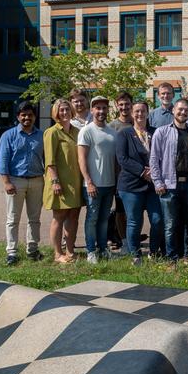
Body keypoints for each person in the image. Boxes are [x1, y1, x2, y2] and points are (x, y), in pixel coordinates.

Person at [150, 98, 188, 263]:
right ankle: (172, 257)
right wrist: (157, 182)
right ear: (173, 110)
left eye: (186, 110)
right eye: (180, 109)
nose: (183, 112)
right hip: (169, 184)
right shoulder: (162, 132)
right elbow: (154, 159)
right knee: (170, 225)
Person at [0, 101, 45, 266]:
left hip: (37, 181)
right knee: (13, 219)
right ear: (18, 116)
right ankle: (12, 252)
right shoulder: (8, 136)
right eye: (23, 115)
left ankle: (32, 250)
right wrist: (6, 182)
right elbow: (2, 160)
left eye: (30, 115)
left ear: (34, 116)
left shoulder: (41, 135)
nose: (27, 118)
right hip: (15, 181)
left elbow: (47, 159)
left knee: (35, 218)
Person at [116, 100, 163, 266]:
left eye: (143, 111)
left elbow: (162, 155)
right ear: (132, 113)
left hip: (152, 186)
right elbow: (122, 159)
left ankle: (154, 251)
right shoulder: (124, 134)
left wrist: (154, 173)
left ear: (147, 113)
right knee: (134, 221)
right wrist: (143, 172)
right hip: (131, 186)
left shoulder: (155, 132)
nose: (140, 114)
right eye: (136, 111)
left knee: (157, 219)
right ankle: (135, 253)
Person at [77, 96, 118, 264]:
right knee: (92, 219)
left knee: (103, 220)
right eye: (97, 108)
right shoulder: (86, 131)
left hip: (109, 185)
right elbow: (82, 159)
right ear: (91, 110)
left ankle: (102, 248)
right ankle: (91, 251)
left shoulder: (112, 132)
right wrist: (89, 182)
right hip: (93, 185)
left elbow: (115, 161)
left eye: (104, 108)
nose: (101, 111)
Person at [43, 99, 82, 264]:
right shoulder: (52, 132)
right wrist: (55, 182)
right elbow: (50, 161)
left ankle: (70, 251)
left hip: (75, 182)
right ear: (56, 113)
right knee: (59, 217)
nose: (64, 113)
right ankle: (58, 254)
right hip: (59, 183)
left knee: (74, 216)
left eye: (67, 109)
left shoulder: (77, 131)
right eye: (61, 110)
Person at [108, 91, 134, 251]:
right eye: (121, 104)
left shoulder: (137, 122)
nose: (124, 107)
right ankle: (123, 241)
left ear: (131, 104)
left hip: (137, 177)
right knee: (120, 211)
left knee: (135, 212)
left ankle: (133, 240)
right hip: (118, 177)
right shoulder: (112, 127)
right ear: (117, 106)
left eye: (127, 104)